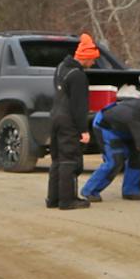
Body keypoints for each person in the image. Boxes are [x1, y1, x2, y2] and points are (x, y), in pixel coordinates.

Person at [82, 90, 140, 202]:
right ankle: (89, 191)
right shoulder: (136, 119)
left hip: (126, 129)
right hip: (106, 127)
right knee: (115, 161)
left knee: (136, 156)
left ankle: (131, 190)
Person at [46, 34, 100, 210]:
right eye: (92, 60)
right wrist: (84, 130)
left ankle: (53, 199)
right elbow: (79, 106)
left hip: (55, 117)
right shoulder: (78, 76)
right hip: (69, 121)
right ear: (85, 57)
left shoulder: (61, 67)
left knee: (57, 159)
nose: (93, 63)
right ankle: (67, 200)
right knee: (70, 159)